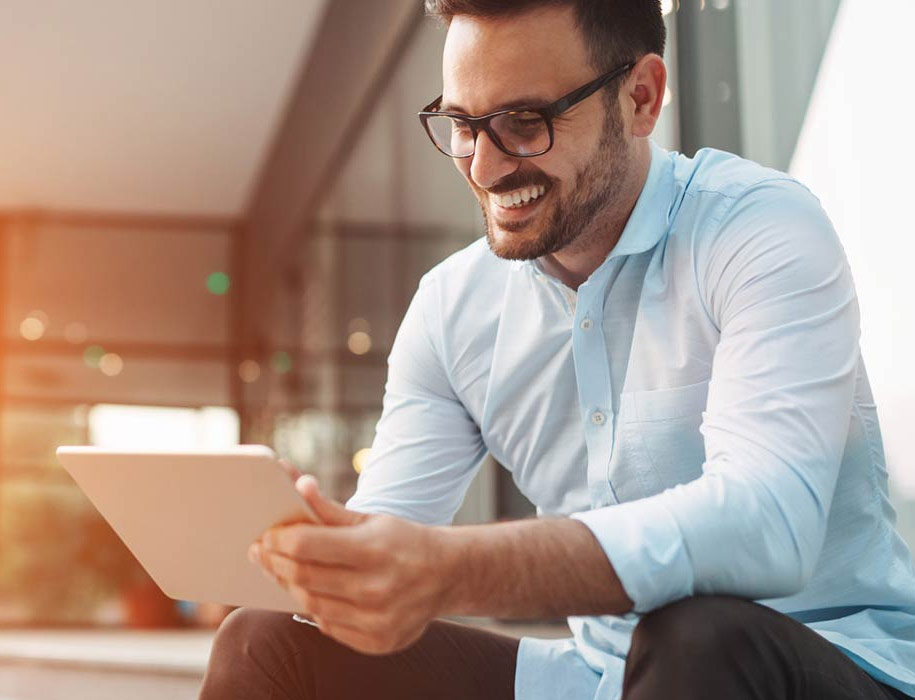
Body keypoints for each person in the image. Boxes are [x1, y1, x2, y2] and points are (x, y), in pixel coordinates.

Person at [199, 1, 915, 698]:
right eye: (461, 124)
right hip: (598, 676)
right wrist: (322, 551)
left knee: (699, 636)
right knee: (263, 641)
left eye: (522, 122)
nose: (482, 168)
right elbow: (391, 539)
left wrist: (453, 569)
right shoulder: (454, 309)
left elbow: (766, 525)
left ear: (640, 97)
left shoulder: (755, 229)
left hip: (821, 661)